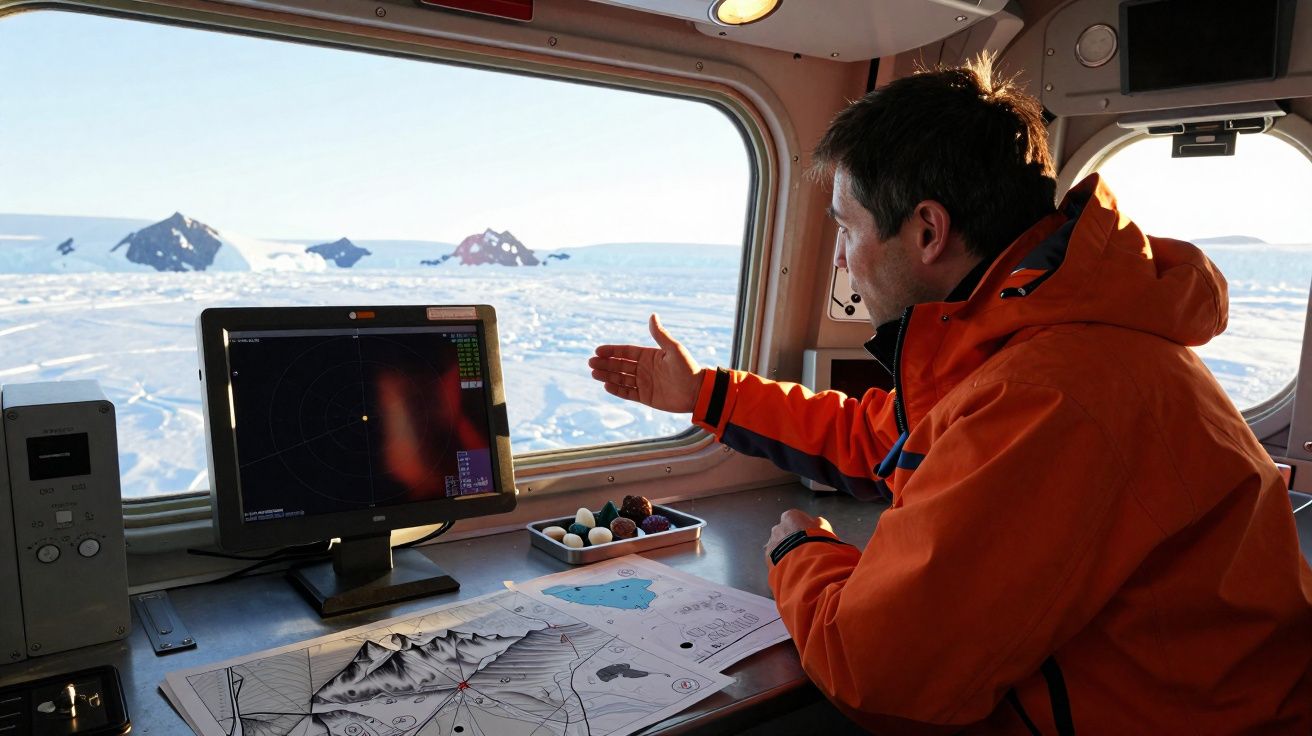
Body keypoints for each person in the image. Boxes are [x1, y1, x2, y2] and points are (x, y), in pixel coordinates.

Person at [588, 56, 1312, 734]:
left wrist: (800, 554)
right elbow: (885, 439)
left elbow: (878, 670)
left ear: (928, 231)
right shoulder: (1031, 334)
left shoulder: (1051, 392)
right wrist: (708, 397)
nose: (840, 258)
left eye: (847, 227)